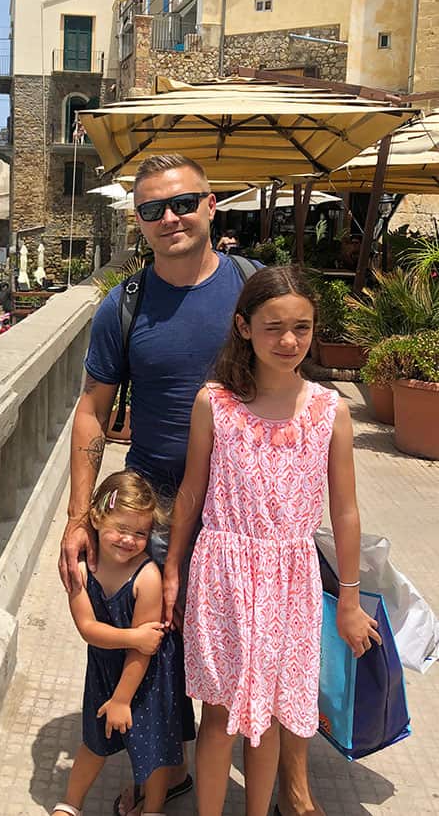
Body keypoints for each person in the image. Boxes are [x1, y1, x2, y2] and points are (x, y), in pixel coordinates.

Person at [59, 154, 322, 816]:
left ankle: (292, 779)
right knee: (162, 640)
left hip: (247, 502)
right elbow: (91, 409)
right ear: (138, 224)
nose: (168, 218)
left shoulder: (250, 290)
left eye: (181, 203)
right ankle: (169, 767)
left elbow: (295, 389)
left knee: (272, 639)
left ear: (211, 206)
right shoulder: (123, 305)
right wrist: (74, 518)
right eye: (151, 210)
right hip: (153, 503)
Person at [164, 265, 380, 816]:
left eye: (301, 328)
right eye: (273, 327)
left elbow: (346, 511)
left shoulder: (330, 412)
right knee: (218, 717)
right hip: (222, 572)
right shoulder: (214, 403)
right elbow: (191, 493)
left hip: (292, 578)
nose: (288, 341)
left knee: (272, 720)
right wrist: (173, 569)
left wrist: (349, 600)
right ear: (243, 327)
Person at [52, 471, 185, 816]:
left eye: (140, 533)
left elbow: (146, 649)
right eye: (121, 529)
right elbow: (86, 627)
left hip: (146, 674)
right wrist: (133, 638)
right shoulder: (81, 571)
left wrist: (123, 699)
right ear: (96, 517)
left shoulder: (148, 578)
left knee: (153, 750)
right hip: (104, 669)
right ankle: (70, 803)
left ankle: (153, 807)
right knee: (93, 743)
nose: (129, 540)